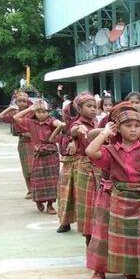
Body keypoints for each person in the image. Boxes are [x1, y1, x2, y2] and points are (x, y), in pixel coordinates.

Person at [86, 102, 140, 279]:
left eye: (137, 126)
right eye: (128, 126)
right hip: (120, 200)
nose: (133, 129)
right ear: (118, 128)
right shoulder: (111, 150)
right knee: (124, 244)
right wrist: (105, 133)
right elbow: (91, 152)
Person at [69, 92, 101, 274]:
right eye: (89, 106)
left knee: (103, 215)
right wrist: (79, 130)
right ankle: (94, 262)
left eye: (94, 106)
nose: (93, 109)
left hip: (101, 168)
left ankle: (103, 262)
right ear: (79, 109)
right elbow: (76, 131)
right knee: (89, 216)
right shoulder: (78, 124)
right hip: (86, 169)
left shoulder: (98, 121)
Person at [12, 99, 63, 214]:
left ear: (48, 112)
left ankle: (50, 204)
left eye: (44, 112)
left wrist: (59, 127)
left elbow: (58, 124)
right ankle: (38, 201)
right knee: (38, 180)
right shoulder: (30, 122)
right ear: (34, 112)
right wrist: (30, 109)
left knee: (52, 181)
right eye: (39, 112)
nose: (42, 114)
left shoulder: (51, 121)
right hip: (38, 154)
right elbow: (16, 117)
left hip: (52, 154)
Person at [0, 90, 34, 199]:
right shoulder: (14, 113)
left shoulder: (33, 112)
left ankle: (38, 189)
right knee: (27, 168)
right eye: (19, 101)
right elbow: (0, 117)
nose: (22, 103)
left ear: (28, 101)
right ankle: (30, 190)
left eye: (24, 101)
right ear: (16, 102)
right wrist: (10, 108)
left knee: (36, 167)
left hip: (35, 141)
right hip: (24, 142)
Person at [55, 100, 80, 233]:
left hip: (81, 163)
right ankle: (64, 222)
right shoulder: (64, 128)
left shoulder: (84, 125)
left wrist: (75, 140)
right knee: (64, 194)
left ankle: (85, 224)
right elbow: (52, 138)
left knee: (81, 195)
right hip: (66, 164)